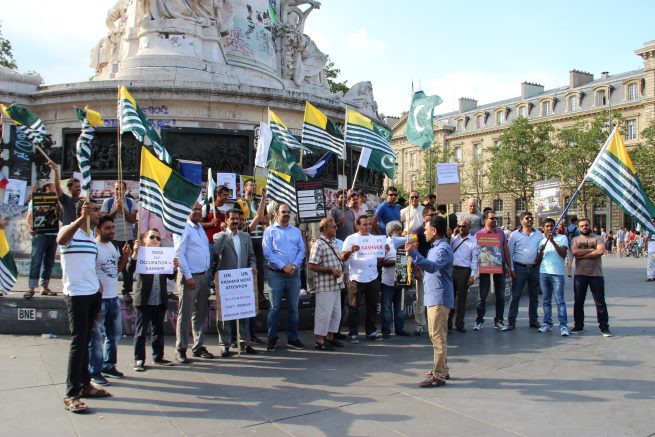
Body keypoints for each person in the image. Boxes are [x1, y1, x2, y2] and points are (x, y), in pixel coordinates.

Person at [57, 198, 110, 413]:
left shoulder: (90, 237)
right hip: (76, 294)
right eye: (96, 210)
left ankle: (85, 384)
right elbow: (61, 239)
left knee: (87, 339)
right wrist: (81, 218)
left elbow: (88, 265)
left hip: (92, 293)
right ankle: (71, 393)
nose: (99, 213)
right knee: (78, 342)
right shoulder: (72, 231)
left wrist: (97, 285)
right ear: (85, 211)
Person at [406, 215, 454, 388]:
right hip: (434, 297)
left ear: (434, 231)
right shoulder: (435, 247)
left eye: (426, 229)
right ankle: (442, 368)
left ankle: (439, 375)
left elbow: (432, 267)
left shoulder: (442, 249)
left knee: (437, 337)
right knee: (438, 335)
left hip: (439, 298)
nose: (423, 232)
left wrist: (413, 253)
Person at [88, 216, 131, 386]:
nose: (112, 231)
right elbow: (89, 270)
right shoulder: (94, 247)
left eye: (113, 227)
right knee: (97, 337)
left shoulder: (113, 246)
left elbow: (117, 270)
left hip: (113, 297)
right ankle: (95, 370)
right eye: (107, 228)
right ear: (97, 229)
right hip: (99, 299)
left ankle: (108, 364)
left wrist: (125, 257)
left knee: (114, 335)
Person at [213, 208, 258, 356]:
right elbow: (216, 251)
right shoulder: (219, 236)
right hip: (227, 281)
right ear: (226, 220)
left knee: (244, 311)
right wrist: (225, 234)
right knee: (225, 315)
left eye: (237, 219)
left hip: (243, 280)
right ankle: (224, 344)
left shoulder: (245, 237)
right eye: (232, 219)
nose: (235, 221)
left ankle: (245, 342)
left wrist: (252, 267)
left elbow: (251, 256)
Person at [132, 228, 178, 371]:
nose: (155, 240)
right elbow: (129, 270)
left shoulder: (163, 255)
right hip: (144, 299)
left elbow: (170, 277)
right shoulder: (140, 254)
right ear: (144, 239)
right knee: (141, 331)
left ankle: (158, 356)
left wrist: (174, 267)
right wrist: (134, 253)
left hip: (159, 299)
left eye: (158, 238)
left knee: (158, 330)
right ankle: (139, 359)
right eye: (152, 237)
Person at [174, 202, 214, 364]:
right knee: (185, 314)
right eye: (194, 209)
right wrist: (188, 276)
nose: (198, 212)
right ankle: (181, 349)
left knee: (200, 313)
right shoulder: (184, 227)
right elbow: (179, 253)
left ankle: (198, 346)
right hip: (189, 277)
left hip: (203, 276)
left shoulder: (200, 228)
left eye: (199, 209)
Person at [262, 202, 306, 351]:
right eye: (283, 212)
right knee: (274, 308)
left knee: (294, 308)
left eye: (288, 212)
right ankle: (272, 338)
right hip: (276, 275)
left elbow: (302, 251)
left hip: (294, 274)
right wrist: (283, 266)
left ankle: (292, 338)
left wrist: (294, 266)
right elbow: (267, 252)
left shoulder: (296, 231)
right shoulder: (269, 231)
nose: (286, 214)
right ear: (276, 213)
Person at [341, 215, 386, 343]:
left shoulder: (374, 239)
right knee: (354, 307)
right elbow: (342, 257)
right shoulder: (351, 239)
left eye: (369, 224)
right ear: (357, 225)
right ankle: (353, 333)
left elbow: (380, 260)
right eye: (365, 224)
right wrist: (350, 250)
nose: (368, 227)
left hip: (372, 277)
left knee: (372, 306)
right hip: (356, 278)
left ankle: (371, 331)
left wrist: (383, 252)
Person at [235, 181, 268, 344]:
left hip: (257, 241)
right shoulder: (239, 203)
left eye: (255, 186)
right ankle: (237, 336)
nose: (253, 187)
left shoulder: (256, 202)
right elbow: (254, 219)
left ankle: (251, 333)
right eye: (250, 185)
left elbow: (261, 217)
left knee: (256, 285)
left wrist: (262, 198)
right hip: (245, 244)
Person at [308, 217, 344, 350]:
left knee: (336, 314)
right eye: (333, 227)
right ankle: (319, 340)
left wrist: (342, 268)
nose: (336, 229)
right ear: (324, 229)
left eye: (335, 226)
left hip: (336, 284)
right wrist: (330, 270)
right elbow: (311, 265)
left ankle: (330, 338)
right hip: (324, 285)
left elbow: (337, 259)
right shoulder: (319, 244)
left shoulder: (333, 241)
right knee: (324, 314)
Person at [571, 218, 611, 336]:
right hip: (580, 274)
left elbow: (600, 251)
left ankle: (604, 327)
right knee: (578, 301)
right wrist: (591, 250)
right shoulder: (575, 239)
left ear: (590, 225)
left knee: (600, 302)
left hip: (596, 275)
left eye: (586, 225)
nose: (584, 227)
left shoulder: (598, 238)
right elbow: (574, 252)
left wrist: (582, 253)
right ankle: (578, 326)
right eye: (582, 226)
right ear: (579, 228)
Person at [474, 210, 512, 331]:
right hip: (485, 268)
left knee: (500, 296)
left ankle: (499, 321)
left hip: (499, 267)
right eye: (491, 218)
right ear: (485, 220)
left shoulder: (500, 233)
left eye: (495, 218)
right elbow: (476, 253)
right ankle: (479, 320)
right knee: (482, 296)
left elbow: (505, 250)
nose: (494, 220)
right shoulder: (478, 234)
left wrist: (509, 267)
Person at [101, 181, 138, 303]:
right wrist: (115, 210)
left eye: (121, 189)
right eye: (117, 189)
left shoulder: (130, 202)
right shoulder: (108, 202)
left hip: (126, 238)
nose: (119, 191)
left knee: (128, 266)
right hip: (112, 239)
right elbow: (104, 219)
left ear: (125, 190)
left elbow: (133, 220)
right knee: (111, 265)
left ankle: (126, 291)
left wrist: (123, 210)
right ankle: (107, 289)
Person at [507, 211, 543, 331]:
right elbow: (510, 252)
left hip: (534, 269)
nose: (530, 220)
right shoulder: (514, 235)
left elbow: (541, 251)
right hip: (519, 268)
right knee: (516, 295)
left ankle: (533, 320)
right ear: (521, 221)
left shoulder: (538, 234)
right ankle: (511, 321)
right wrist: (511, 268)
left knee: (534, 296)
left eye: (531, 218)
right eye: (527, 218)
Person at [535, 218, 570, 336]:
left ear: (555, 227)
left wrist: (553, 242)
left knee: (559, 300)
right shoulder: (541, 242)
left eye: (551, 226)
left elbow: (563, 253)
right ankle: (547, 324)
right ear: (543, 228)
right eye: (547, 226)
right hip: (544, 273)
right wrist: (540, 251)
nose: (550, 228)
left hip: (557, 273)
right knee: (546, 300)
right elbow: (537, 261)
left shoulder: (562, 238)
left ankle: (563, 325)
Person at [25, 182, 59, 299]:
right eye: (52, 188)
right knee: (36, 261)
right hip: (40, 234)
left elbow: (60, 215)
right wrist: (30, 228)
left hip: (53, 234)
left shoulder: (57, 201)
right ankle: (31, 288)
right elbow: (29, 216)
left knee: (49, 262)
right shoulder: (35, 201)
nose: (54, 190)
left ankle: (44, 287)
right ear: (46, 190)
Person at [380, 220, 409, 338]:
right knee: (386, 307)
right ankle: (386, 330)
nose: (400, 232)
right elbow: (381, 262)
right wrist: (397, 262)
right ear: (391, 232)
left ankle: (399, 328)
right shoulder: (385, 244)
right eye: (398, 230)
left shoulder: (404, 243)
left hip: (401, 278)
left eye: (400, 230)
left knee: (400, 307)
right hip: (388, 280)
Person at [449, 218, 478, 332]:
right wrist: (452, 236)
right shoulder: (454, 239)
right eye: (459, 226)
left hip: (464, 271)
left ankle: (460, 323)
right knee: (450, 298)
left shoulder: (473, 241)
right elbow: (448, 249)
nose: (461, 228)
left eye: (464, 226)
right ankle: (448, 323)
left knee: (461, 299)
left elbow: (475, 260)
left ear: (469, 228)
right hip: (453, 270)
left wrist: (472, 276)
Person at [413, 204, 437, 335]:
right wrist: (416, 269)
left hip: (434, 268)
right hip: (422, 268)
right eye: (431, 215)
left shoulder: (437, 230)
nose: (433, 217)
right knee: (421, 297)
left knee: (433, 297)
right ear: (424, 217)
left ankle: (431, 322)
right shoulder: (418, 231)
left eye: (435, 215)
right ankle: (420, 323)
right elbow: (415, 251)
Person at [203, 185, 230, 291]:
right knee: (208, 267)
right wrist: (210, 223)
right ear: (217, 195)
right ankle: (208, 288)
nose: (226, 197)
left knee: (221, 266)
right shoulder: (207, 207)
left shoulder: (228, 208)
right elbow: (198, 224)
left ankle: (219, 287)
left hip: (223, 242)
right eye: (224, 195)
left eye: (228, 195)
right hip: (209, 242)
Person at [51, 162, 83, 226]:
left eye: (79, 186)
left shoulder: (84, 200)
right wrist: (56, 171)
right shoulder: (66, 199)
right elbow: (58, 189)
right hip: (68, 231)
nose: (79, 188)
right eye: (76, 187)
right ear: (70, 189)